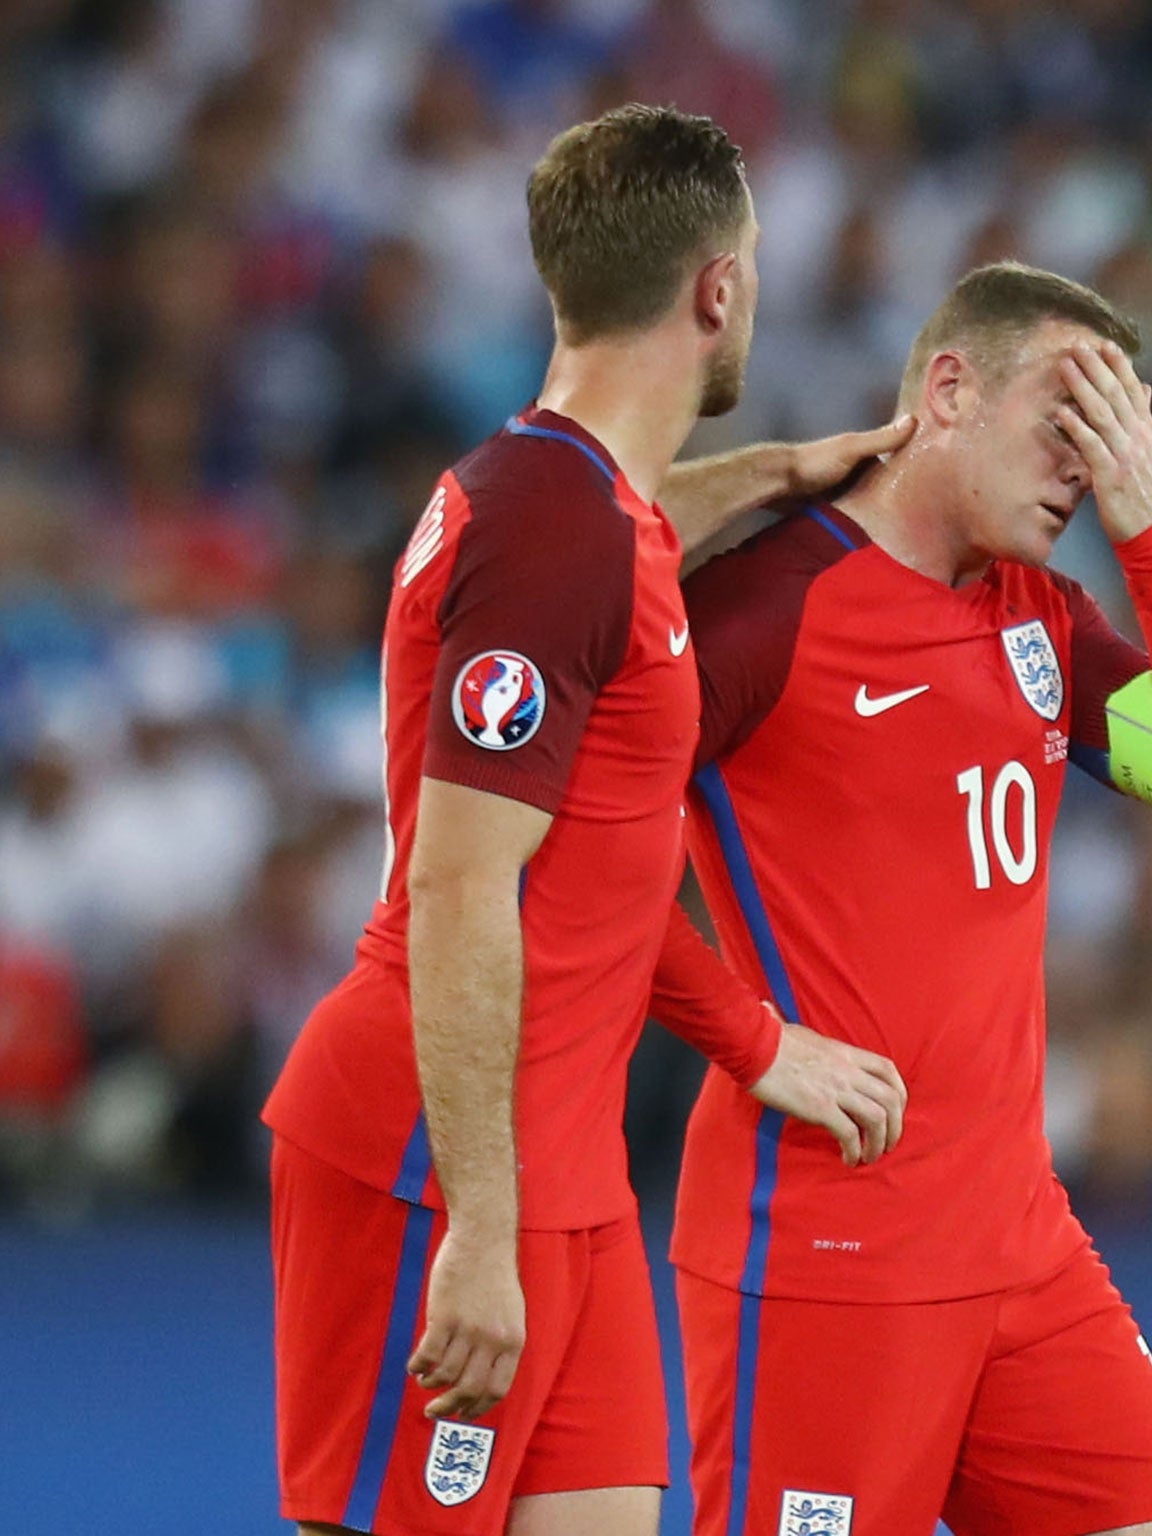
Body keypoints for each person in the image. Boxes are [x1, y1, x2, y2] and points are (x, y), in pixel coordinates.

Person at [261, 105, 908, 1536]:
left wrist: (781, 475)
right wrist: (479, 1230)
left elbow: (597, 878)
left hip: (567, 1162)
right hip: (441, 1152)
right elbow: (461, 891)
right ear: (717, 289)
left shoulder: (587, 513)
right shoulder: (556, 537)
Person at [660, 262, 1152, 1536]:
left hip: (1018, 1244)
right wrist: (749, 1038)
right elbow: (550, 855)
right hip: (828, 1245)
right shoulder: (763, 611)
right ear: (949, 389)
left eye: (1108, 439)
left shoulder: (1041, 622)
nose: (1082, 470)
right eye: (1065, 427)